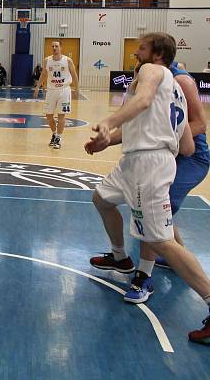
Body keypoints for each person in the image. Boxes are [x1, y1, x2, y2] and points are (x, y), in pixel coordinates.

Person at [84, 33, 210, 345]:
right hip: (136, 161)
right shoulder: (175, 92)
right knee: (101, 198)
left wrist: (107, 123)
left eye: (141, 47)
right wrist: (107, 141)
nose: (136, 52)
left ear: (157, 54)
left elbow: (141, 103)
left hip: (147, 165)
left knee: (161, 240)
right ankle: (120, 258)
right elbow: (188, 146)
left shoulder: (152, 72)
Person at [33, 41, 79, 149]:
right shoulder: (47, 60)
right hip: (51, 90)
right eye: (52, 46)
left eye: (56, 46)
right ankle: (54, 133)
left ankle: (58, 138)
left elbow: (74, 75)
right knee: (49, 116)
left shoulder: (67, 60)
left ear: (61, 47)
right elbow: (44, 74)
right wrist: (37, 87)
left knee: (61, 115)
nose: (54, 48)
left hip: (64, 90)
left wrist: (77, 89)